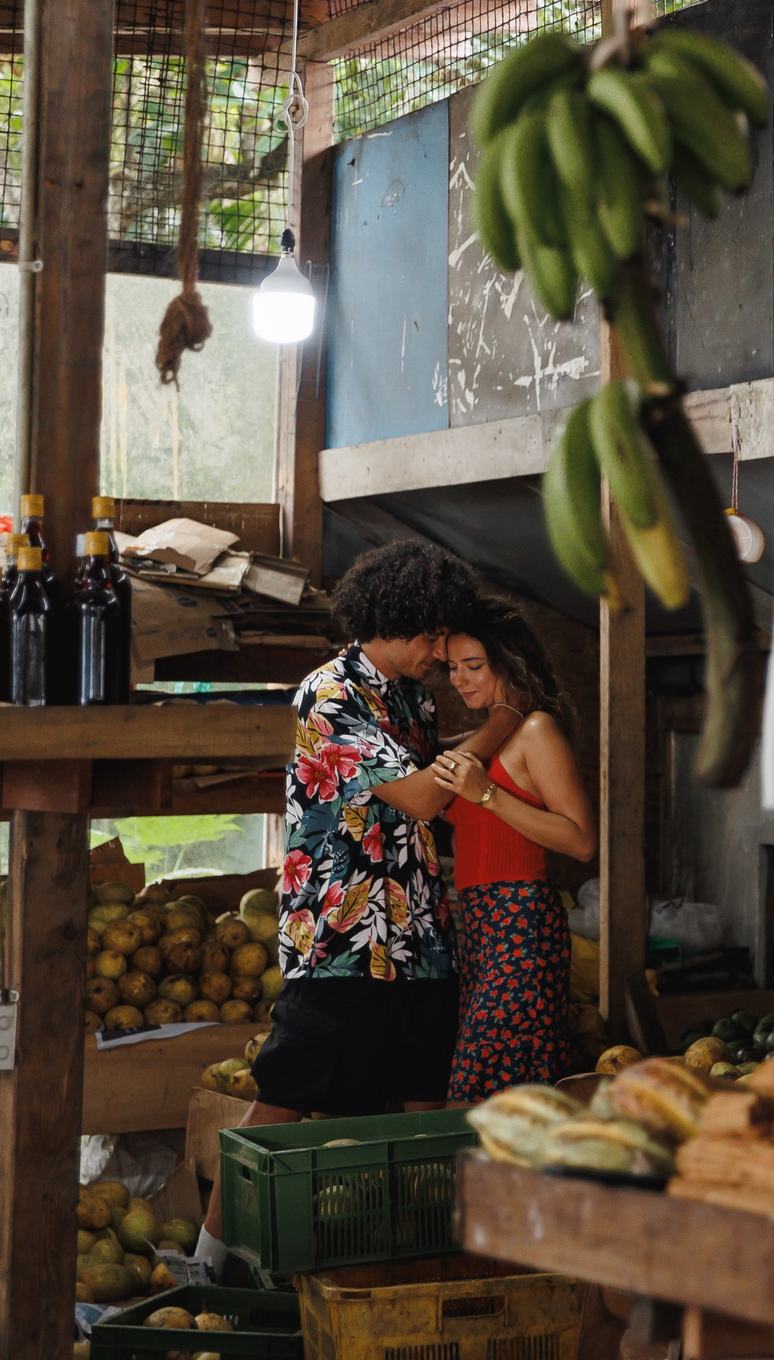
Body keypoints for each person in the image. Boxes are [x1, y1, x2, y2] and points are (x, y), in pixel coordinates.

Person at [196, 539, 516, 1278]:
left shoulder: (406, 694)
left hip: (416, 935)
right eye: (435, 635)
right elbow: (428, 793)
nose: (442, 651)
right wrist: (506, 715)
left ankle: (418, 1271)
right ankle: (207, 1262)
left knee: (421, 1103)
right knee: (284, 1099)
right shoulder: (331, 694)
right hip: (342, 935)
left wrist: (493, 734)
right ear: (399, 621)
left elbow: (433, 775)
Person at [430, 597, 597, 1103]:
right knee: (494, 1095)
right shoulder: (490, 737)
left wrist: (487, 794)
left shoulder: (536, 731)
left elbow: (581, 840)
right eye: (453, 667)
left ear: (508, 660)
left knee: (483, 1092)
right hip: (479, 924)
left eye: (474, 666)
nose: (460, 679)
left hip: (521, 921)